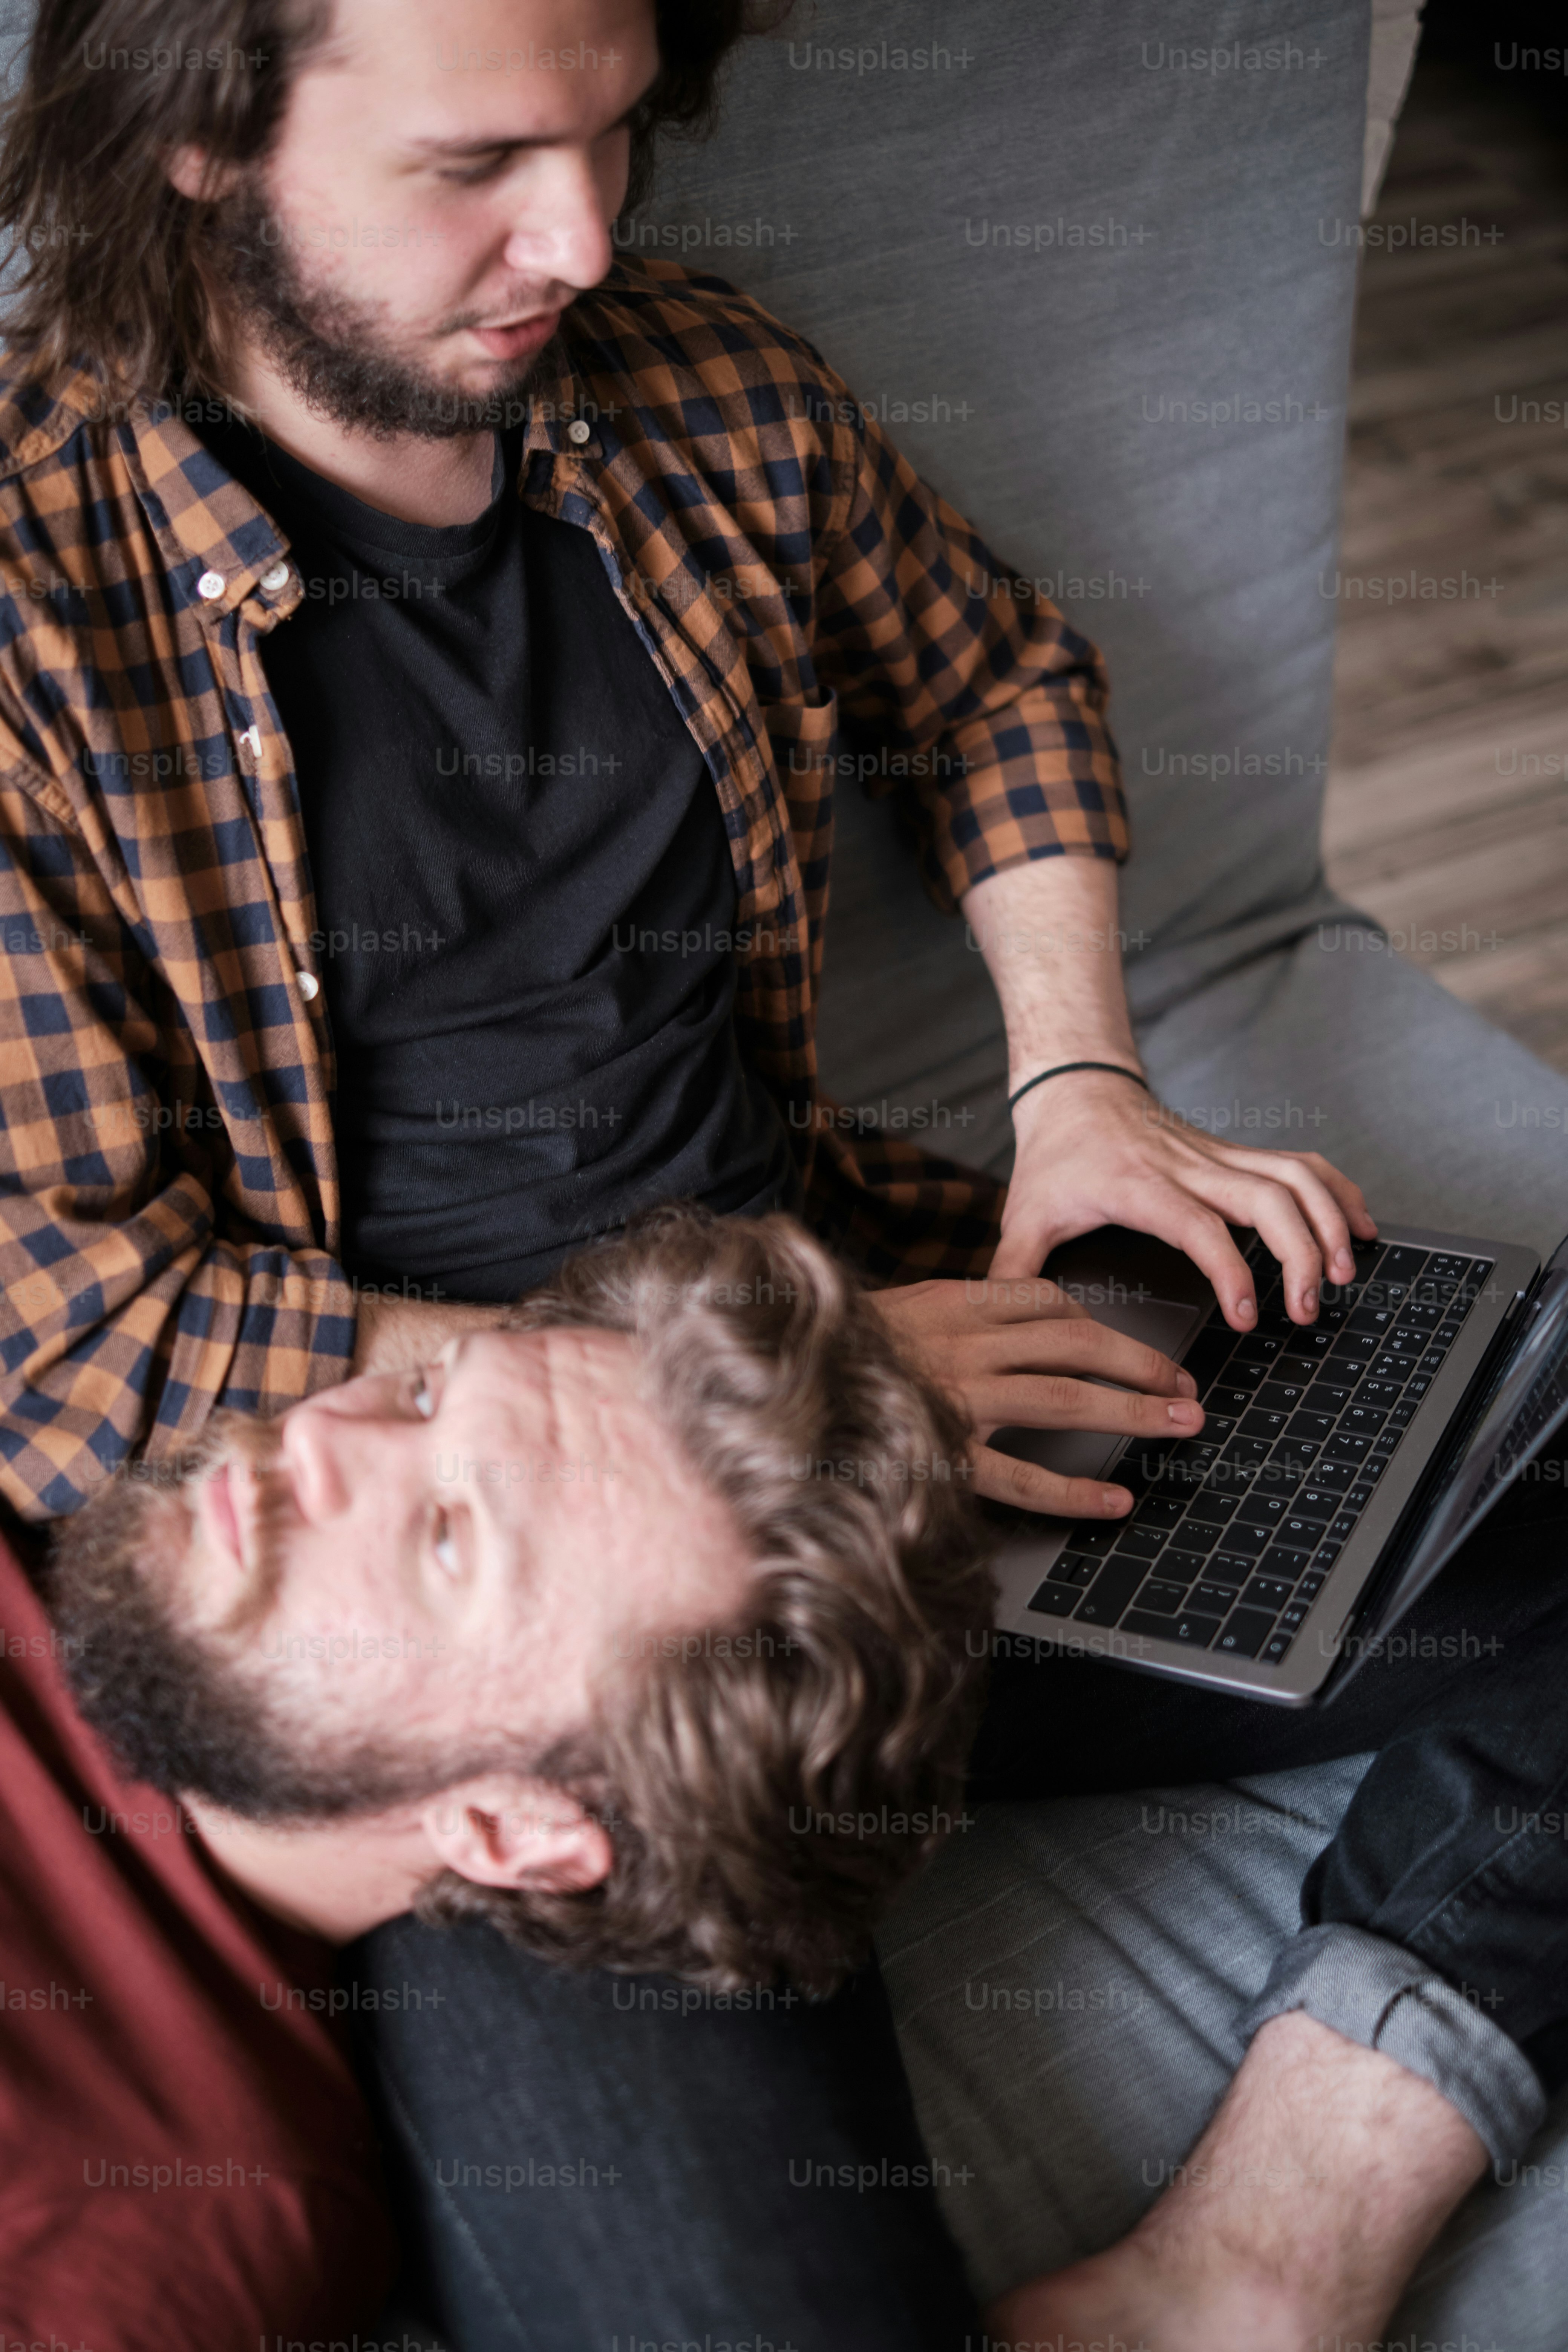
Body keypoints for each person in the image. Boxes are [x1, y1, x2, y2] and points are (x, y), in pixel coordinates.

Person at [0, 0, 1547, 2343]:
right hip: (481, 1630)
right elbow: (72, 1341)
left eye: (622, 135)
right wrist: (761, 1392)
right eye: (483, 165)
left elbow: (1002, 681)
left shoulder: (703, 397)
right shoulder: (26, 606)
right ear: (204, 146)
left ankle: (1251, 2269)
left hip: (917, 1340)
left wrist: (1078, 1087)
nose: (586, 237)